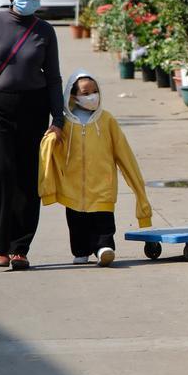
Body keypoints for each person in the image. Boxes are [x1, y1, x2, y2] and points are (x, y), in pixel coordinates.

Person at [39, 71, 152, 266]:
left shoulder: (107, 120)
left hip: (103, 186)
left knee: (104, 222)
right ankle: (81, 251)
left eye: (95, 91)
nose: (92, 96)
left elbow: (125, 155)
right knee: (76, 222)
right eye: (85, 92)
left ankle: (104, 248)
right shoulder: (64, 124)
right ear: (73, 95)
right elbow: (50, 151)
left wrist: (139, 192)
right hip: (72, 188)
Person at [0, 0, 64, 271]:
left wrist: (58, 118)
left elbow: (53, 79)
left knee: (27, 179)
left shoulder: (45, 31)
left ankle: (19, 247)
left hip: (33, 108)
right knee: (1, 172)